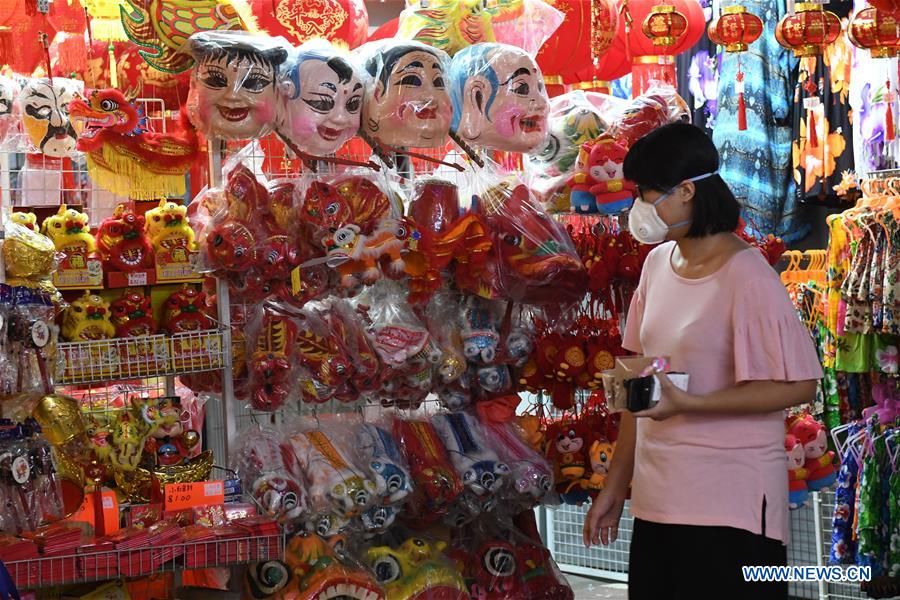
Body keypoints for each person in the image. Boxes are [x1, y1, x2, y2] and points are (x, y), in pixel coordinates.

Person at [582, 122, 822, 599]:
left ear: (687, 191)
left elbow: (798, 387)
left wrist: (692, 403)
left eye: (646, 194)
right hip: (657, 502)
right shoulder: (656, 266)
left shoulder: (748, 275)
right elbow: (643, 386)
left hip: (731, 509)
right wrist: (614, 487)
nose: (638, 208)